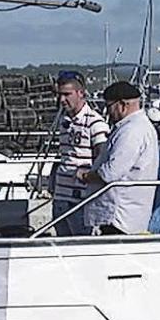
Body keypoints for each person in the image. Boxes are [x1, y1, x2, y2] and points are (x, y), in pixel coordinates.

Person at [77, 81, 159, 235]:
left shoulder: (131, 131)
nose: (107, 113)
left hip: (119, 217)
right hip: (124, 215)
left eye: (109, 107)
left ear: (122, 105)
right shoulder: (136, 126)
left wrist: (85, 176)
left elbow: (111, 173)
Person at [51, 71, 109, 236]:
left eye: (67, 94)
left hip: (80, 200)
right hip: (61, 196)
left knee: (80, 246)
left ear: (81, 93)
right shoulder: (64, 121)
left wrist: (87, 177)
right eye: (60, 95)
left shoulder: (95, 122)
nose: (62, 100)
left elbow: (102, 157)